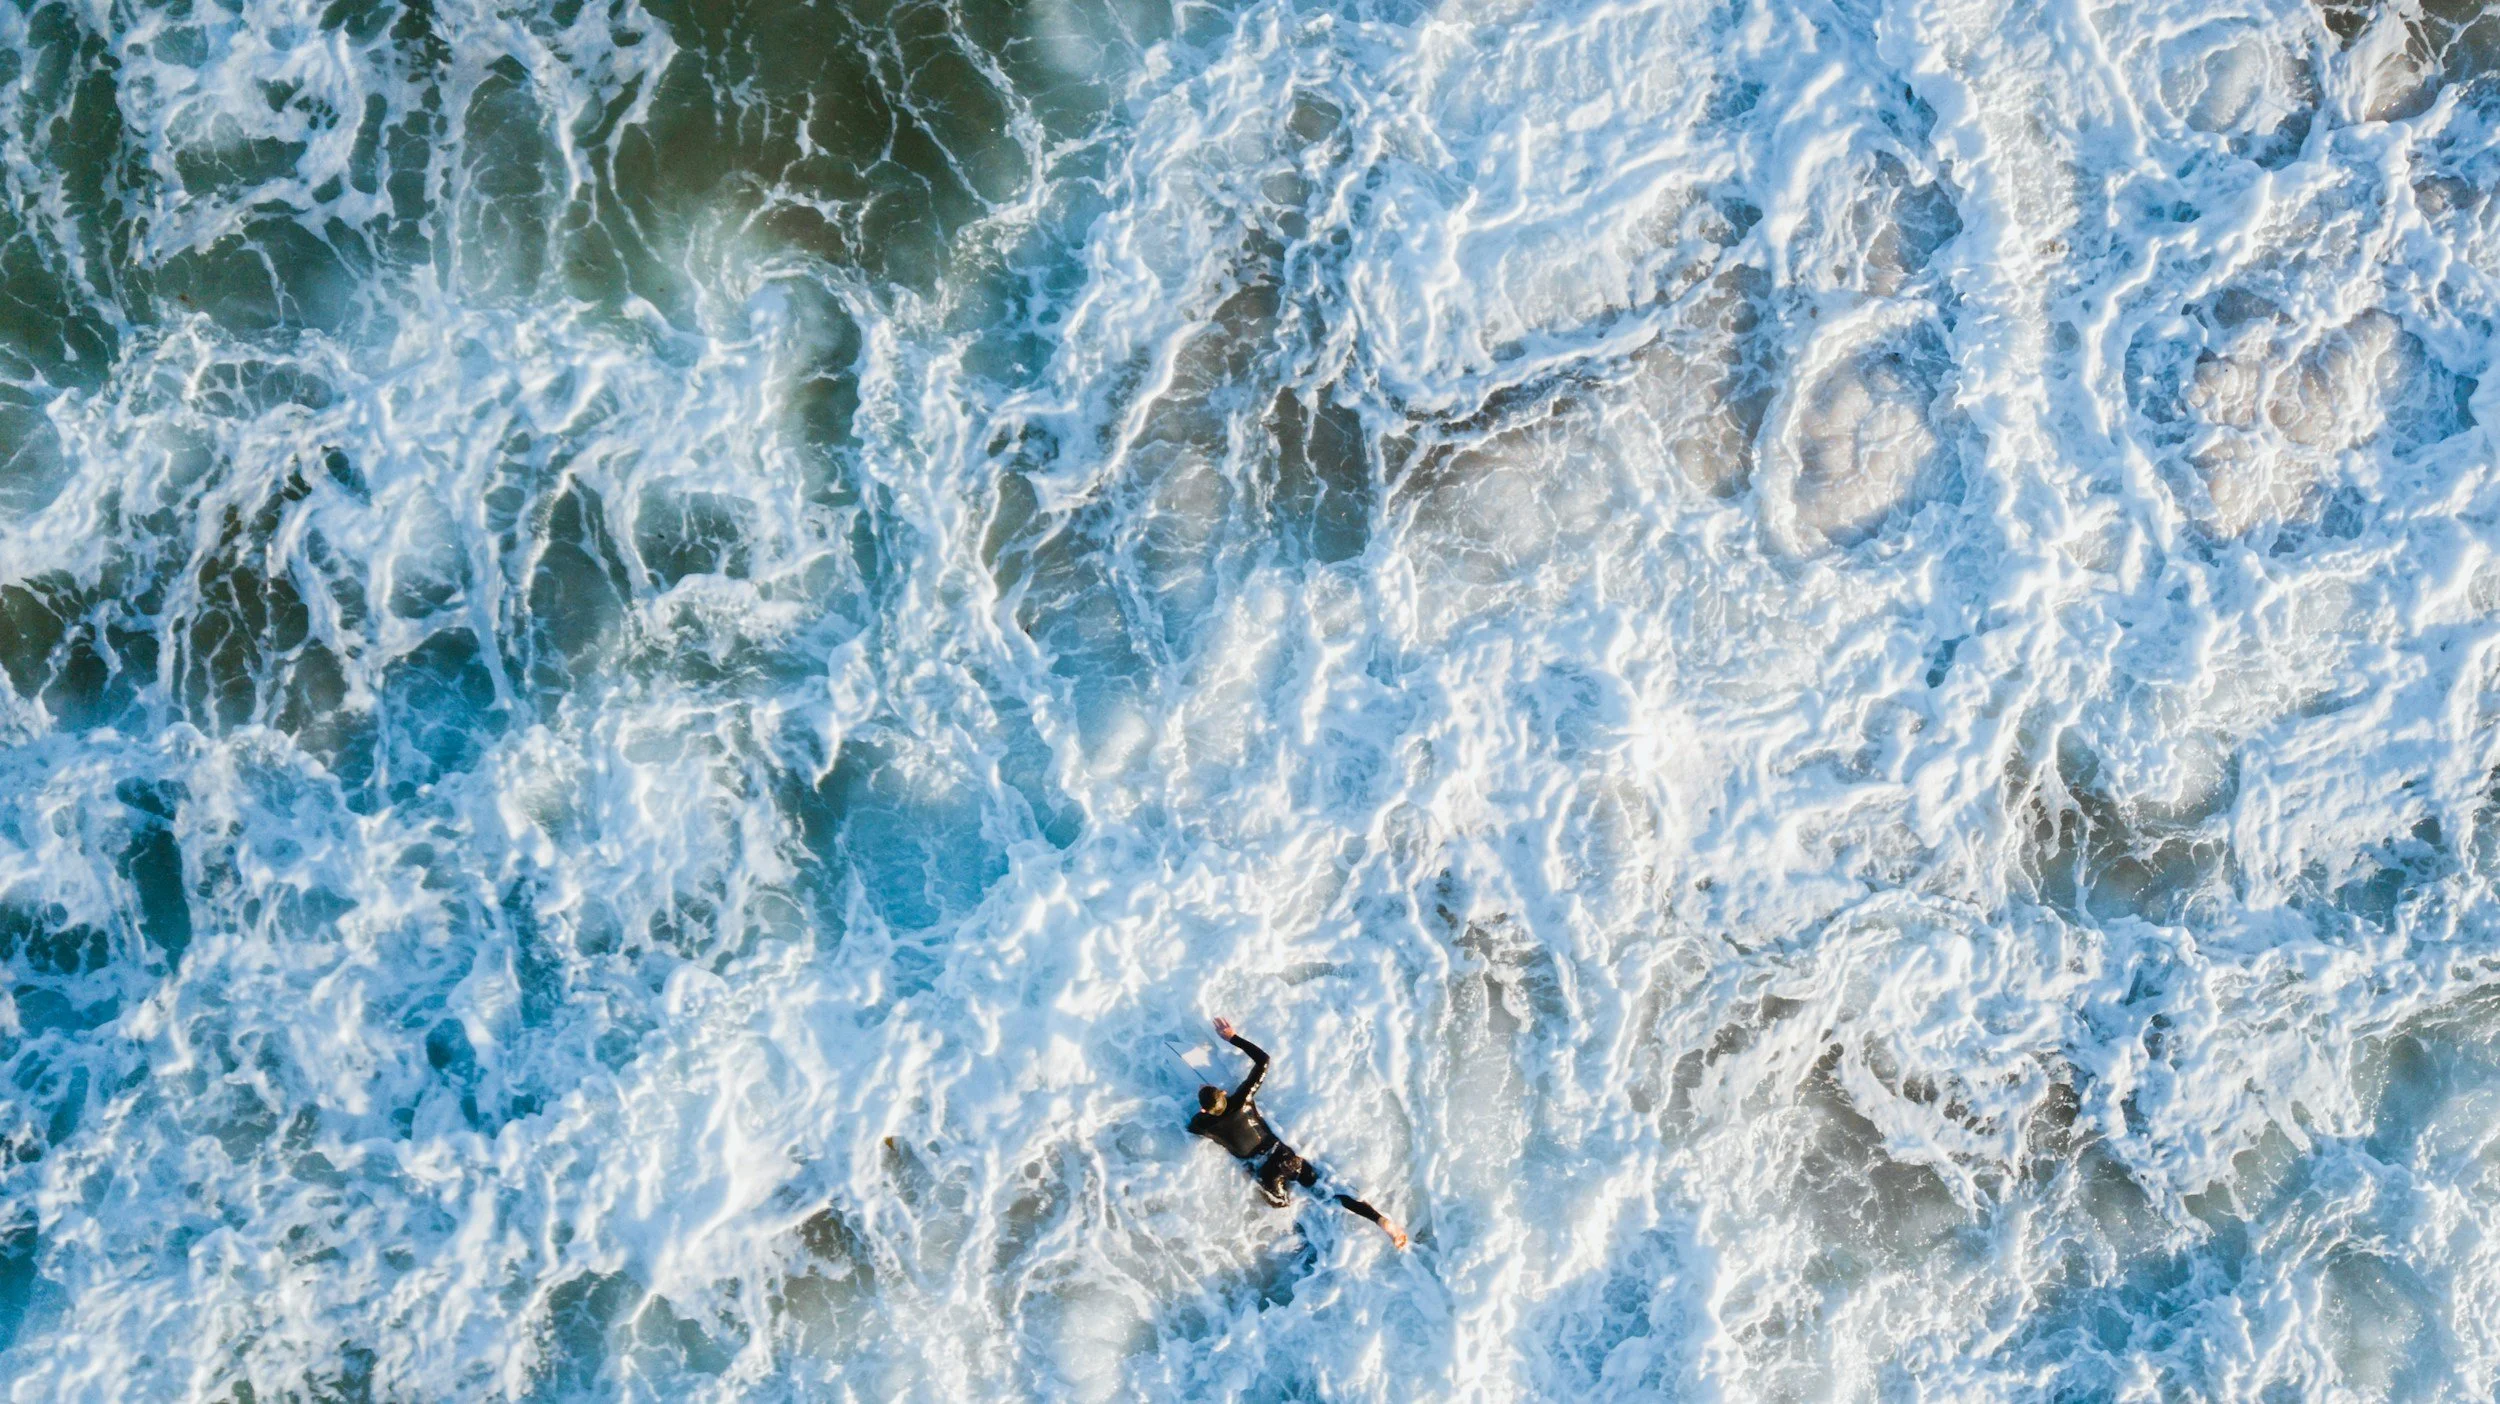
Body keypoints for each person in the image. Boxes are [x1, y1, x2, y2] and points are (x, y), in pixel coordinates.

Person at [1187, 1016, 1408, 1248]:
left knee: (1283, 1208)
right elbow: (1263, 1061)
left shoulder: (1203, 1124)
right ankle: (1379, 1219)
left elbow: (1190, 1127)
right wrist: (1232, 1037)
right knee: (1329, 1193)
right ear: (1223, 1092)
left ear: (1204, 1110)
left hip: (1266, 1173)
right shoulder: (1243, 1099)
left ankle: (1307, 1242)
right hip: (1286, 1158)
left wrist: (1203, 1106)